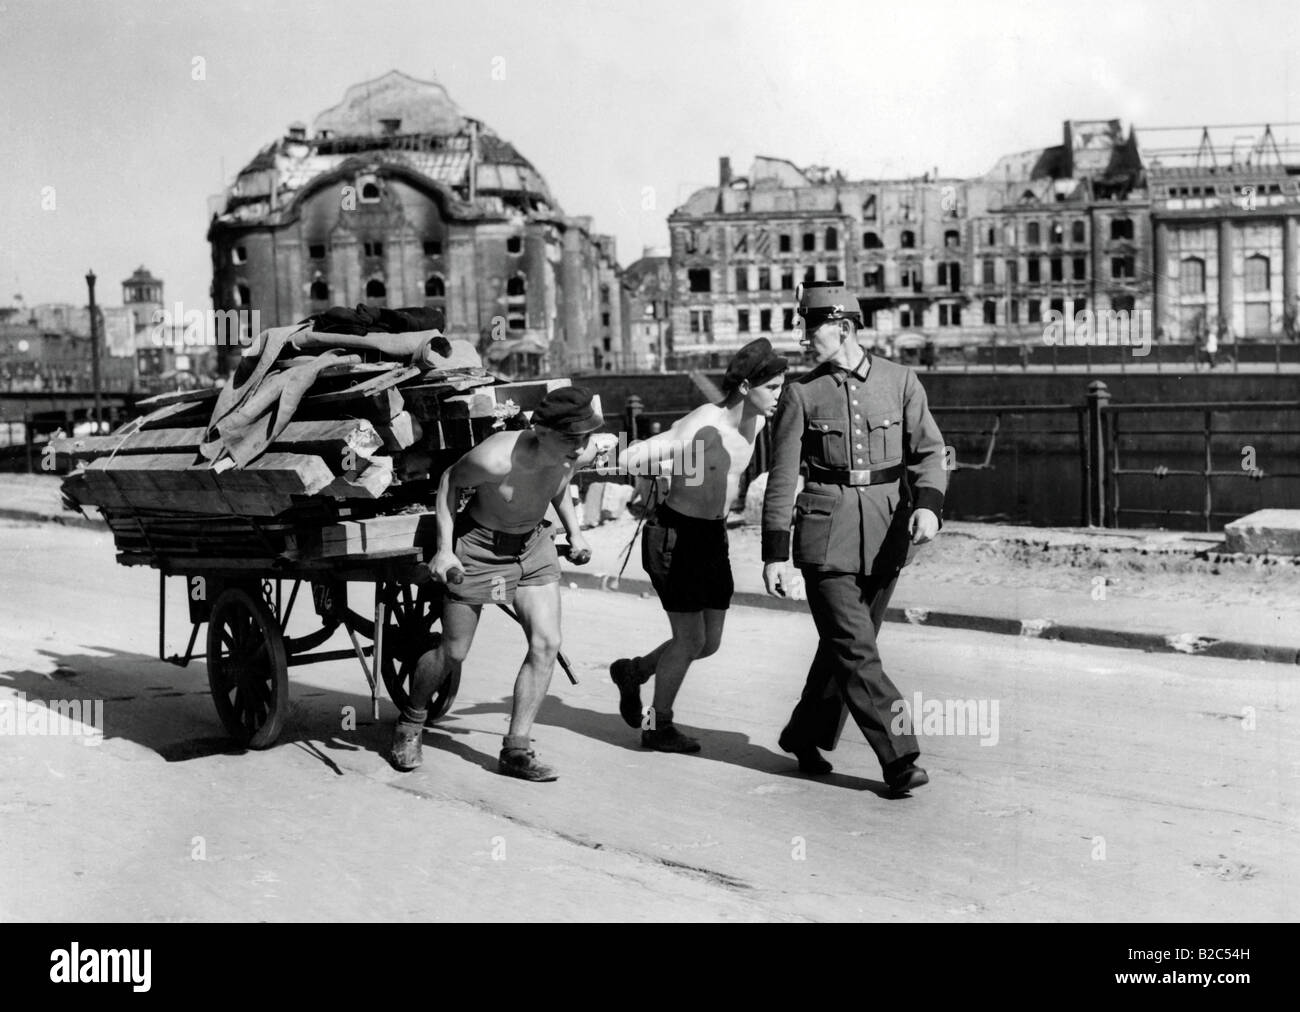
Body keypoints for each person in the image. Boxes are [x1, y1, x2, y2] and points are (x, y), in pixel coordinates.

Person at [762, 281, 948, 795]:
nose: (803, 337)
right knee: (856, 648)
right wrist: (775, 554)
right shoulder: (802, 393)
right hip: (825, 540)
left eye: (810, 326)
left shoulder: (902, 381)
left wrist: (929, 507)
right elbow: (782, 478)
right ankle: (900, 757)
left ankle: (803, 733)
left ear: (843, 327)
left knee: (844, 649)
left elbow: (930, 454)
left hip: (889, 535)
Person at [388, 386, 614, 782]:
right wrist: (445, 549)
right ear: (541, 430)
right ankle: (411, 720)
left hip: (533, 544)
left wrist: (575, 532)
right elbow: (448, 483)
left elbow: (558, 486)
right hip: (482, 549)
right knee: (454, 651)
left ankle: (516, 750)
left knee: (547, 643)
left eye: (585, 437)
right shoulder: (495, 459)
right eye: (572, 438)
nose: (581, 448)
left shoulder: (575, 451)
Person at [608, 338, 788, 752]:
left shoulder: (756, 422)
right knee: (688, 640)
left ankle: (633, 672)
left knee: (708, 643)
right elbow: (644, 453)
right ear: (745, 387)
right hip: (675, 534)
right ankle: (657, 725)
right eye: (773, 388)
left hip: (711, 536)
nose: (780, 395)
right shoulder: (707, 421)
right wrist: (655, 457)